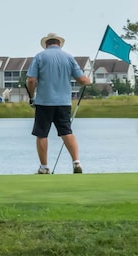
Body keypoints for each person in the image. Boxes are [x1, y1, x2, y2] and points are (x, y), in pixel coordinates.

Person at [26, 32, 91, 174]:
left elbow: (31, 80)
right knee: (66, 131)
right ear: (59, 43)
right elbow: (82, 80)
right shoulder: (68, 57)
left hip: (44, 102)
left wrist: (31, 96)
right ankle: (76, 162)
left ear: (46, 44)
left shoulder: (40, 56)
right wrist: (88, 80)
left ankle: (44, 167)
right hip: (64, 102)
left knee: (42, 134)